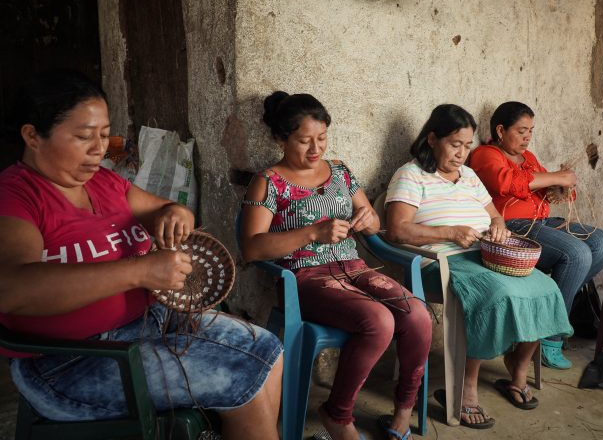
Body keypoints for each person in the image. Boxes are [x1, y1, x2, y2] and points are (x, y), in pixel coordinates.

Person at [0, 70, 283, 440]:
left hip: (144, 326)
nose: (99, 149)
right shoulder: (17, 196)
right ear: (32, 136)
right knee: (245, 371)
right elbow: (12, 288)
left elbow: (168, 209)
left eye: (104, 135)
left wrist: (175, 214)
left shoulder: (105, 182)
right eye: (84, 136)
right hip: (70, 362)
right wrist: (138, 272)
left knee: (268, 348)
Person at [240, 91, 431, 440]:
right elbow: (252, 247)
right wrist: (312, 233)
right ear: (281, 138)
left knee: (417, 314)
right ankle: (337, 415)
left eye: (322, 138)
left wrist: (367, 219)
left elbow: (373, 223)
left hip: (354, 268)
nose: (315, 150)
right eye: (304, 141)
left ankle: (403, 412)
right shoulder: (269, 181)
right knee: (378, 320)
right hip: (306, 279)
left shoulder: (340, 172)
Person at [384, 104, 572, 428]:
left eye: (467, 145)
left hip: (483, 253)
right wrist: (449, 232)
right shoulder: (411, 175)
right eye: (455, 144)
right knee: (496, 294)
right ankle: (466, 390)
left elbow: (495, 214)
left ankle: (518, 371)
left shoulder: (469, 176)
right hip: (440, 261)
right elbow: (398, 229)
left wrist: (498, 227)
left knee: (545, 287)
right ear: (432, 139)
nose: (461, 153)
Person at [469, 101, 603, 369]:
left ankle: (548, 312)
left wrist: (559, 187)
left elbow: (545, 186)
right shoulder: (485, 154)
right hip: (514, 228)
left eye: (531, 131)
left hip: (542, 222)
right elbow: (506, 183)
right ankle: (550, 335)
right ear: (500, 130)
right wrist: (555, 177)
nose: (527, 137)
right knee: (576, 254)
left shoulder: (529, 158)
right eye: (521, 130)